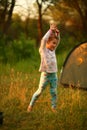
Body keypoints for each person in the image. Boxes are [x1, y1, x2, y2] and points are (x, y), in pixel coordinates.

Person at [27, 22, 60, 113]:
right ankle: (30, 105)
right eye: (53, 43)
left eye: (55, 44)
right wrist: (50, 31)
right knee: (39, 91)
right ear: (47, 43)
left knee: (54, 92)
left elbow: (58, 40)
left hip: (54, 75)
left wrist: (57, 33)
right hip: (45, 75)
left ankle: (53, 108)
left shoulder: (53, 51)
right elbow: (44, 39)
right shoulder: (43, 50)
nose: (54, 45)